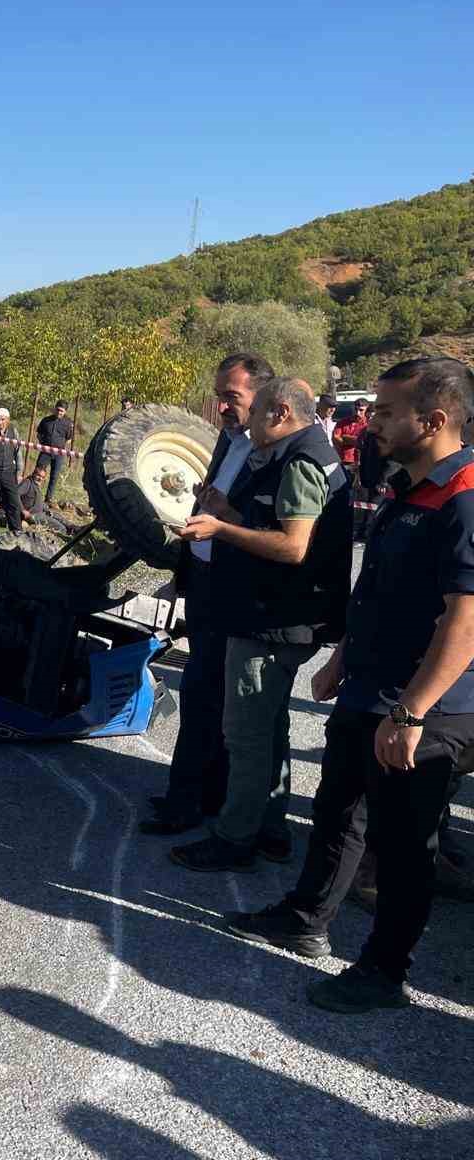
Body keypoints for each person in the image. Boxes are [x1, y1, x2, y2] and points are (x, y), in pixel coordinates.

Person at [226, 356, 474, 1012]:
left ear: (436, 419)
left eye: (390, 412)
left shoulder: (465, 496)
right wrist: (342, 660)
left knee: (401, 842)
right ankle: (305, 919)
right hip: (371, 686)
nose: (374, 422)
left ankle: (385, 971)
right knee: (338, 809)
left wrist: (415, 711)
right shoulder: (406, 485)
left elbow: (466, 619)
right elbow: (378, 584)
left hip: (425, 704)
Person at [169, 377, 350, 870]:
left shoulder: (301, 461)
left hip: (272, 618)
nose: (245, 421)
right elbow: (275, 523)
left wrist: (222, 528)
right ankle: (270, 828)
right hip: (277, 615)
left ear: (281, 412)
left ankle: (234, 839)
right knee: (271, 727)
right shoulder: (297, 452)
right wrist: (229, 510)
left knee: (246, 734)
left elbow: (294, 546)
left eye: (255, 412)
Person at [140, 352, 276, 836]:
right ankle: (201, 795)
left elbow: (270, 531)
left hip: (232, 593)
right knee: (206, 695)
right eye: (219, 396)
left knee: (206, 697)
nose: (221, 407)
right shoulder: (230, 438)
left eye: (230, 397)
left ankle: (188, 803)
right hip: (202, 583)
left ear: (262, 397)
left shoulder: (273, 451)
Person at [34, 401, 75, 504]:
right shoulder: (46, 420)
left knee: (54, 476)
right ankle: (33, 495)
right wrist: (43, 444)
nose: (59, 412)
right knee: (38, 473)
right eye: (58, 409)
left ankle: (48, 499)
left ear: (65, 412)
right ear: (54, 408)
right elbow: (39, 434)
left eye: (61, 411)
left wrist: (61, 447)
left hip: (59, 454)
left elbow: (69, 439)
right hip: (45, 452)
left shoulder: (68, 423)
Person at [333, 399, 370, 470]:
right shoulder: (342, 422)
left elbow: (366, 443)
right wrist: (356, 441)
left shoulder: (369, 424)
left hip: (362, 461)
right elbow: (336, 439)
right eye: (355, 409)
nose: (357, 413)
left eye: (361, 410)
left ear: (366, 410)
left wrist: (345, 438)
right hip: (344, 460)